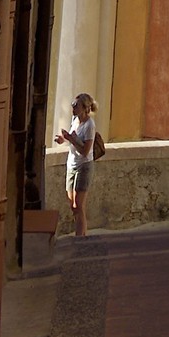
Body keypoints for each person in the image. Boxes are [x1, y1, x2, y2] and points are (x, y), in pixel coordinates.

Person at [58, 93, 97, 236]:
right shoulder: (75, 120)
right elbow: (71, 137)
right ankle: (80, 234)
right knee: (72, 205)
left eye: (76, 106)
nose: (73, 108)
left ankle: (80, 238)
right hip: (72, 164)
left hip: (84, 166)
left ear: (85, 108)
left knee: (79, 205)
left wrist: (71, 139)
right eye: (72, 105)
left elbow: (85, 151)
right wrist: (63, 139)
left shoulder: (89, 125)